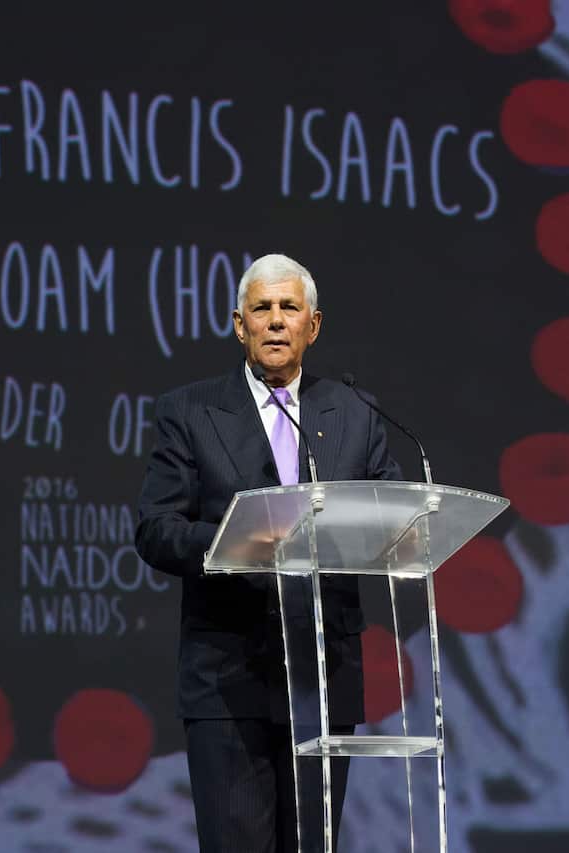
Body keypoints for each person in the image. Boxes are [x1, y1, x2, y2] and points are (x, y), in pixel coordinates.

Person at [134, 253, 402, 852]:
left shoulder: (354, 411)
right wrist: (240, 541)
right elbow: (156, 529)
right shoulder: (191, 411)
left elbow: (393, 512)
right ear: (239, 324)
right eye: (262, 308)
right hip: (228, 678)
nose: (275, 321)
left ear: (314, 325)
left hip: (326, 677)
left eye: (289, 308)